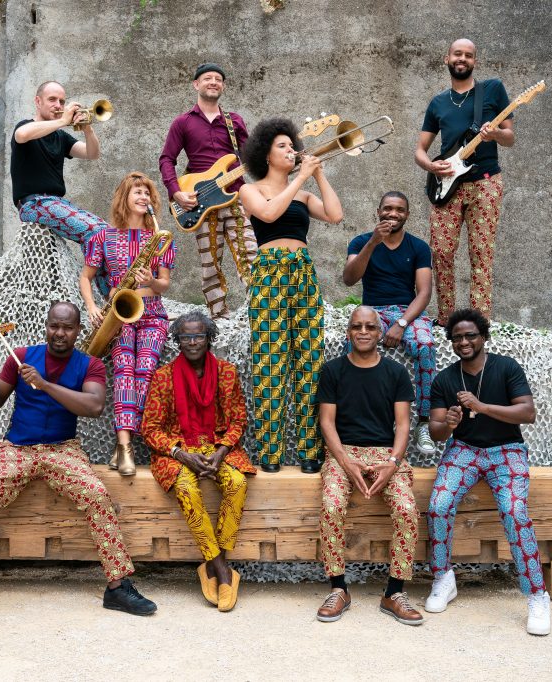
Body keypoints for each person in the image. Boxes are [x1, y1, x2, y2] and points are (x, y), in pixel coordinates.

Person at [0, 302, 157, 629]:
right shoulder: (21, 355)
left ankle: (117, 586)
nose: (60, 333)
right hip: (17, 448)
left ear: (78, 330)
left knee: (97, 495)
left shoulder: (91, 364)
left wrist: (45, 384)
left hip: (62, 449)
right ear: (46, 325)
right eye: (54, 326)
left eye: (67, 328)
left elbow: (94, 406)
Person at [425, 308, 550, 635]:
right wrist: (449, 423)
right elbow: (436, 432)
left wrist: (481, 408)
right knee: (438, 506)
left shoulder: (506, 367)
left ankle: (537, 594)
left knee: (514, 510)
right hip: (464, 449)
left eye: (470, 336)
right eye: (457, 338)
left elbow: (527, 413)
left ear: (483, 336)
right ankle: (443, 579)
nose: (463, 342)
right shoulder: (445, 378)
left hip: (506, 449)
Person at [239, 117, 343, 473]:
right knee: (270, 362)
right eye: (282, 146)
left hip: (302, 270)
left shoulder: (305, 192)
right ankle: (269, 454)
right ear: (266, 155)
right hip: (268, 272)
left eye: (291, 145)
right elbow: (268, 213)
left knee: (309, 363)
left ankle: (309, 453)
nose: (291, 150)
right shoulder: (249, 190)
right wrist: (300, 177)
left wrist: (318, 175)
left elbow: (335, 215)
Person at [314, 306, 423, 626]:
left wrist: (392, 463)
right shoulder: (333, 370)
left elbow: (403, 425)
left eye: (370, 327)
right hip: (342, 452)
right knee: (332, 505)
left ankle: (394, 591)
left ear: (379, 333)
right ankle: (338, 588)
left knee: (406, 509)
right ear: (349, 332)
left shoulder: (395, 373)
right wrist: (345, 461)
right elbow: (327, 422)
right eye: (357, 326)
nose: (363, 332)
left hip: (385, 454)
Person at [140, 311, 256, 611]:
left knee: (238, 483)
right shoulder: (164, 377)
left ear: (209, 338)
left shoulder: (227, 373)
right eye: (185, 337)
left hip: (218, 451)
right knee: (187, 490)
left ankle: (212, 566)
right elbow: (150, 428)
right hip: (178, 452)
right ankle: (222, 570)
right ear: (177, 341)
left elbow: (238, 420)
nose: (192, 342)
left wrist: (220, 452)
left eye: (198, 336)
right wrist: (180, 454)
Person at [79, 172, 176, 476]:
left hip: (151, 311)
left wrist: (153, 282)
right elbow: (86, 277)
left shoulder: (159, 238)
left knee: (144, 372)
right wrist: (93, 306)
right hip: (117, 313)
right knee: (124, 370)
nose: (144, 197)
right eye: (137, 192)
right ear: (125, 197)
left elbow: (164, 284)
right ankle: (124, 447)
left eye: (147, 193)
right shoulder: (103, 237)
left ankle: (125, 443)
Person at [415, 38, 514, 325]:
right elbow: (419, 150)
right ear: (447, 58)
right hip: (448, 185)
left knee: (481, 256)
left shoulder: (492, 90)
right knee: (442, 252)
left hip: (485, 183)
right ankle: (446, 319)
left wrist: (494, 134)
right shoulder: (438, 103)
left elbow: (510, 137)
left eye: (469, 55)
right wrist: (431, 165)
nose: (463, 59)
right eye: (458, 54)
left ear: (475, 62)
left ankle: (478, 324)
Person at [159, 63, 258, 319]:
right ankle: (218, 315)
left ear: (222, 86)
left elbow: (251, 157)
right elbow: (167, 159)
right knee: (210, 262)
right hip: (200, 201)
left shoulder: (234, 121)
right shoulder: (182, 122)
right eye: (207, 78)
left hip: (235, 196)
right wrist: (176, 192)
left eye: (218, 79)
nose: (213, 82)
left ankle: (259, 308)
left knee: (250, 254)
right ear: (196, 84)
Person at [343, 191, 437, 457]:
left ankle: (424, 422)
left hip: (408, 311)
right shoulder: (361, 241)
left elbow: (424, 293)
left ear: (407, 214)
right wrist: (373, 242)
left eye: (399, 210)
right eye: (388, 208)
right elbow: (349, 279)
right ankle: (347, 419)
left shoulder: (418, 247)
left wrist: (402, 323)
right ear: (378, 211)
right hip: (372, 310)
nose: (393, 214)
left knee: (425, 345)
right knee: (349, 345)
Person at [11, 80, 109, 293]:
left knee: (106, 233)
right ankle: (100, 293)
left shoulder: (60, 136)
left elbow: (92, 154)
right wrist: (64, 120)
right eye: (52, 99)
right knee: (95, 230)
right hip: (33, 203)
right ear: (38, 101)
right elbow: (22, 135)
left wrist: (88, 128)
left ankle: (110, 294)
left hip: (56, 203)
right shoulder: (25, 126)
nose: (58, 105)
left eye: (62, 101)